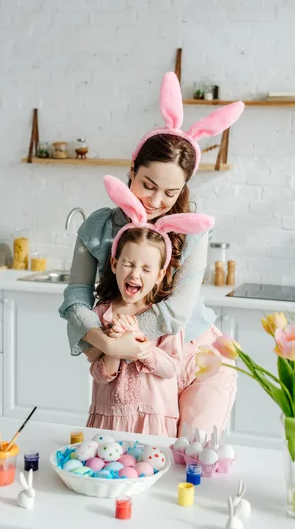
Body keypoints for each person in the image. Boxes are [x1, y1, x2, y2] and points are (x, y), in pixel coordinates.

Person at [59, 72, 244, 436]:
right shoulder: (98, 227)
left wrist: (112, 340)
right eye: (148, 185)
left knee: (193, 450)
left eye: (170, 193)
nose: (156, 201)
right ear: (132, 170)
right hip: (137, 361)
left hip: (196, 359)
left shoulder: (191, 229)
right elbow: (75, 300)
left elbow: (174, 313)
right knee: (132, 454)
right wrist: (110, 343)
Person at [86, 175, 214, 437]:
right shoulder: (102, 313)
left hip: (154, 421)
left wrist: (141, 348)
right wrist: (114, 344)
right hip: (108, 422)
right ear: (114, 265)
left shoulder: (163, 319)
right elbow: (99, 375)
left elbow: (171, 369)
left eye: (146, 269)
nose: (135, 275)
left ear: (158, 275)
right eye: (129, 265)